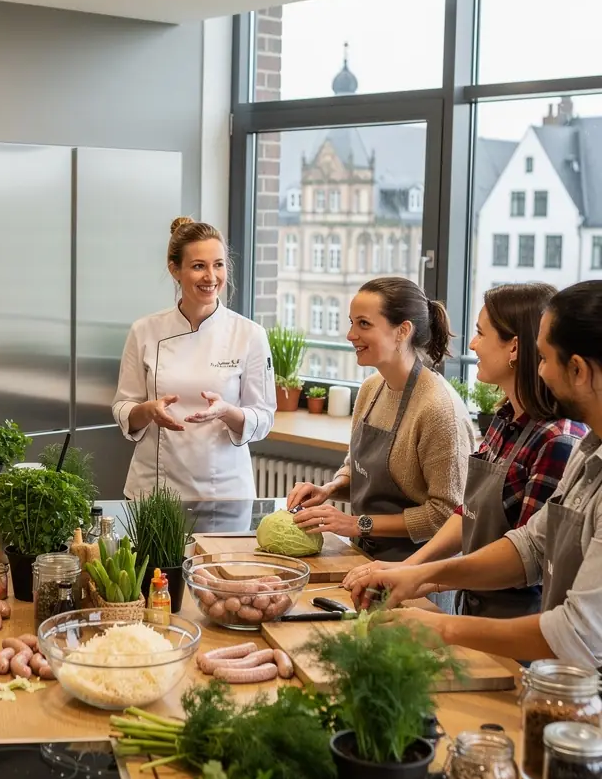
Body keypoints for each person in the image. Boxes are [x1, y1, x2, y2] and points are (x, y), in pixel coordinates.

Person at [348, 281, 602, 668]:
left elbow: (575, 633)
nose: (542, 370)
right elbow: (529, 546)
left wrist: (442, 624)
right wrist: (413, 574)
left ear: (579, 369)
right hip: (493, 625)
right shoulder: (586, 452)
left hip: (543, 657)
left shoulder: (563, 440)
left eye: (546, 358)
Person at [287, 277, 474, 561]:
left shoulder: (438, 409)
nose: (350, 334)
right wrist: (329, 489)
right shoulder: (371, 388)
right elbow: (358, 467)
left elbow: (446, 513)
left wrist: (357, 524)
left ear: (403, 331)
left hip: (418, 569)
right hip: (367, 556)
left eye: (364, 324)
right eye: (351, 322)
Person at [112, 217, 276, 501]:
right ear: (175, 269)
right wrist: (149, 410)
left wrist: (226, 411)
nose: (211, 277)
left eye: (219, 264)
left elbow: (263, 418)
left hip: (224, 492)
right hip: (153, 489)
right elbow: (123, 405)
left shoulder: (250, 335)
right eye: (199, 266)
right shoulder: (145, 330)